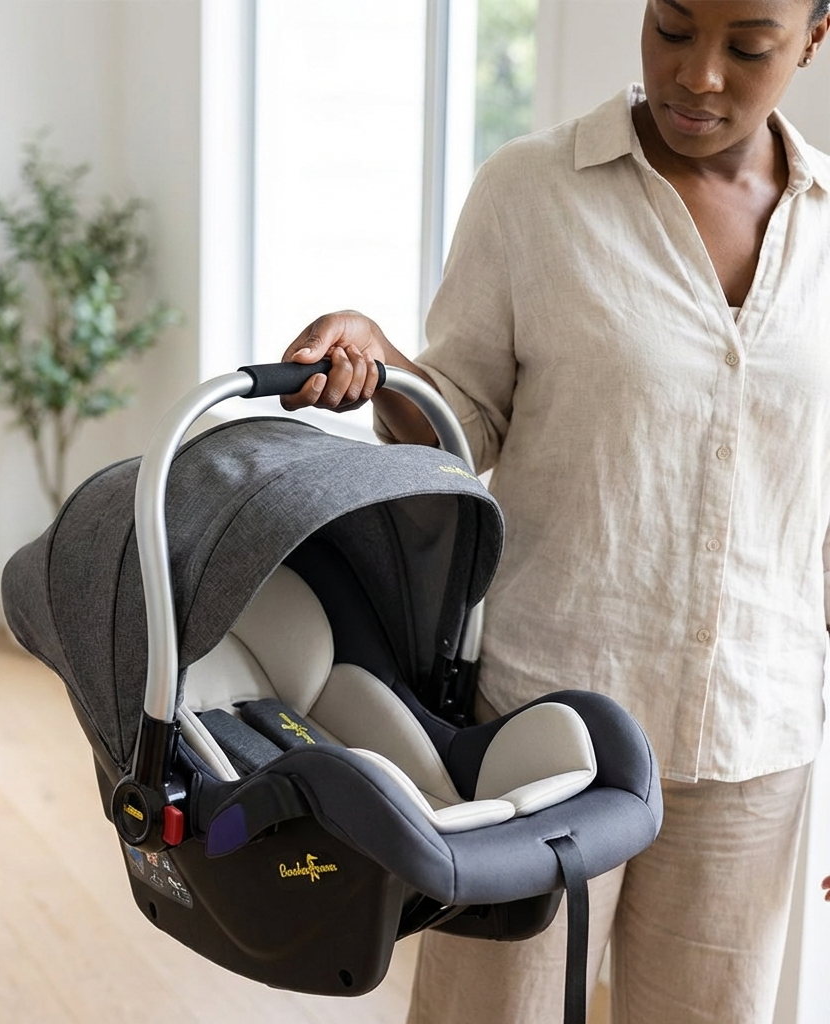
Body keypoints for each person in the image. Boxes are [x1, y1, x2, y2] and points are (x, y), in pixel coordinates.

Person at [279, 2, 830, 1022]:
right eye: (672, 26)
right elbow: (462, 425)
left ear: (812, 38)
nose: (697, 75)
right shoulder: (532, 191)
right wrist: (382, 362)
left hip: (751, 744)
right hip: (544, 728)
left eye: (748, 46)